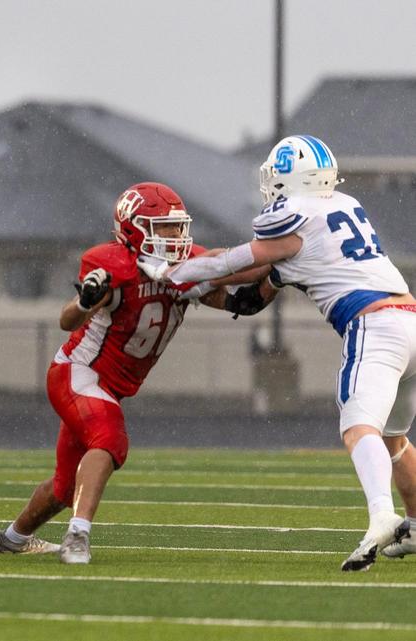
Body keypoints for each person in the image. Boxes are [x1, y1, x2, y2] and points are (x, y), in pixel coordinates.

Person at [138, 135, 416, 572]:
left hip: (374, 325)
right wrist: (207, 283)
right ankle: (415, 525)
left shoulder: (294, 219)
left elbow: (231, 263)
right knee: (393, 439)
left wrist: (171, 272)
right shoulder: (340, 206)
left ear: (288, 178)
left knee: (358, 426)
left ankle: (382, 514)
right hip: (409, 318)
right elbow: (257, 280)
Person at [0, 182, 273, 564]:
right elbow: (67, 320)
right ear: (133, 229)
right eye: (164, 227)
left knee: (65, 488)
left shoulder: (186, 267)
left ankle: (13, 538)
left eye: (178, 226)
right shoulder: (114, 265)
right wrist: (85, 301)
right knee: (110, 439)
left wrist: (282, 268)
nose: (175, 236)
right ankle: (78, 536)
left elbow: (246, 296)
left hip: (109, 387)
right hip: (79, 373)